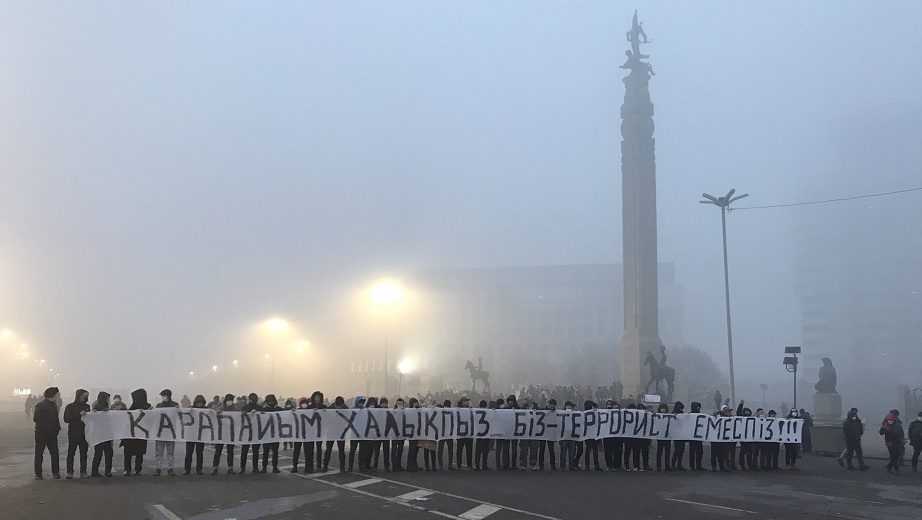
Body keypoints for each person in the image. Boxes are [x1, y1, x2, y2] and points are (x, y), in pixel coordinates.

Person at [121, 389, 151, 476]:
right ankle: (127, 469)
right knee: (128, 452)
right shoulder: (133, 407)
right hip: (131, 434)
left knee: (139, 452)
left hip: (140, 433)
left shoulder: (148, 407)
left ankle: (138, 469)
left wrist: (147, 412)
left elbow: (151, 419)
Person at [33, 387, 62, 480]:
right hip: (42, 433)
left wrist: (57, 428)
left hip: (52, 433)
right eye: (57, 394)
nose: (58, 396)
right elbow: (36, 419)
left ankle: (55, 472)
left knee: (54, 453)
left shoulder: (54, 405)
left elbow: (56, 419)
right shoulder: (41, 405)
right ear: (53, 395)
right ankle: (39, 474)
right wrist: (49, 427)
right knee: (40, 453)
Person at [63, 388, 91, 479]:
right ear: (79, 396)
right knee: (71, 452)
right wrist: (79, 415)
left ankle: (83, 471)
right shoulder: (70, 406)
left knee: (84, 453)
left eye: (87, 396)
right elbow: (66, 419)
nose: (86, 398)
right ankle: (70, 472)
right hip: (73, 432)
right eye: (84, 396)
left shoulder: (87, 406)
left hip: (84, 433)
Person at [154, 389, 180, 476]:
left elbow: (179, 416)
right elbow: (154, 416)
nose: (162, 397)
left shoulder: (175, 406)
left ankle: (170, 468)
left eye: (163, 395)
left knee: (170, 452)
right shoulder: (159, 406)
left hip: (170, 432)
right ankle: (158, 468)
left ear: (168, 396)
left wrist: (178, 410)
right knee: (159, 452)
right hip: (160, 432)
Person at [90, 391, 114, 477]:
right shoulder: (97, 407)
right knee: (100, 453)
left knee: (106, 453)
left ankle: (104, 471)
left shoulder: (105, 407)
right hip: (100, 433)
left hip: (105, 433)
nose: (108, 400)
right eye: (107, 398)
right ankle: (98, 471)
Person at [211, 394, 237, 475]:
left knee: (230, 451)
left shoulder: (235, 410)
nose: (229, 402)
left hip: (231, 433)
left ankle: (230, 467)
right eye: (228, 400)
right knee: (218, 451)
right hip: (221, 433)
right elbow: (212, 415)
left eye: (231, 400)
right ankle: (215, 467)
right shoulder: (220, 408)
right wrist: (217, 412)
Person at [183, 395, 208, 475]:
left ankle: (199, 469)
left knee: (199, 453)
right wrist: (188, 411)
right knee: (189, 452)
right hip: (191, 434)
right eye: (198, 403)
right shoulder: (191, 409)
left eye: (201, 403)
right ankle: (187, 469)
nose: (199, 404)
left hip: (201, 434)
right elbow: (184, 417)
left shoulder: (206, 410)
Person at [323, 396, 348, 472]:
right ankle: (325, 465)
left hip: (341, 431)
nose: (339, 407)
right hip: (331, 431)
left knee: (341, 450)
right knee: (328, 449)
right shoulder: (330, 409)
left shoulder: (345, 408)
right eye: (338, 406)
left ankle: (342, 466)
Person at [239, 393, 263, 474]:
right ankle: (243, 467)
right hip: (247, 431)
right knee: (245, 451)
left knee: (255, 451)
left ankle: (254, 467)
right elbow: (241, 416)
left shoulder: (259, 407)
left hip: (255, 431)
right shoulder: (245, 407)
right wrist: (247, 412)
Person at [260, 394, 282, 473]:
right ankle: (265, 467)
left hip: (274, 433)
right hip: (267, 433)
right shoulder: (263, 410)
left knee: (274, 452)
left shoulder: (278, 409)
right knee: (267, 451)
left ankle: (273, 467)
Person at [291, 397, 313, 473]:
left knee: (308, 452)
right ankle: (294, 466)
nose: (304, 404)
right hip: (298, 434)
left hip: (307, 434)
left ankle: (308, 467)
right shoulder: (297, 411)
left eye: (305, 403)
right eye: (303, 403)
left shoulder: (310, 411)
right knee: (296, 451)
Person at [880, 409, 904, 474]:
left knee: (896, 456)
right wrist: (883, 429)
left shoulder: (897, 425)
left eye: (891, 420)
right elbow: (881, 433)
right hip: (890, 443)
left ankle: (889, 466)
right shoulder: (886, 426)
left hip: (897, 442)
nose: (890, 421)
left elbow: (901, 433)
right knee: (893, 456)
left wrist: (902, 439)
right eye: (889, 420)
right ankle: (896, 469)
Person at [538, 399, 558, 471]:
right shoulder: (543, 410)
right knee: (542, 450)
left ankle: (553, 465)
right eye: (550, 404)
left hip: (550, 433)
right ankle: (541, 465)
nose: (550, 406)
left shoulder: (556, 412)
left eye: (552, 404)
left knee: (551, 450)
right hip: (543, 433)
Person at [559, 401, 578, 471]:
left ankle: (571, 466)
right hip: (563, 436)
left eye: (570, 406)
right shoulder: (561, 414)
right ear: (565, 406)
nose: (569, 407)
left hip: (572, 436)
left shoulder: (575, 414)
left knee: (572, 453)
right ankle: (562, 466)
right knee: (563, 452)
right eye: (568, 405)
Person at [437, 399, 455, 470]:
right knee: (450, 450)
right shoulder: (452, 411)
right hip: (449, 432)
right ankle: (450, 465)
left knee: (440, 450)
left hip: (442, 433)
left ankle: (440, 465)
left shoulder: (440, 411)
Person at [688, 401, 705, 471]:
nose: (698, 408)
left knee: (700, 452)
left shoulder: (700, 415)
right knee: (692, 452)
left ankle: (699, 465)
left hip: (698, 436)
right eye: (697, 407)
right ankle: (692, 466)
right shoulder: (689, 415)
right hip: (692, 437)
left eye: (699, 407)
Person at [655, 402, 672, 471]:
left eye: (664, 408)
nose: (663, 410)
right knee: (659, 452)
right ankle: (658, 466)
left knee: (667, 452)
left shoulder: (669, 416)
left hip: (667, 437)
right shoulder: (657, 416)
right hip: (660, 437)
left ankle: (667, 466)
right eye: (662, 408)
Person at [474, 399, 490, 471]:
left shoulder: (476, 412)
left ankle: (477, 465)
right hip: (486, 433)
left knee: (478, 451)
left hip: (480, 434)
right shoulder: (488, 413)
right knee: (485, 451)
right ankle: (484, 465)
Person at [391, 398, 406, 472]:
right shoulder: (393, 411)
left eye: (401, 404)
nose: (400, 405)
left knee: (400, 450)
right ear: (396, 404)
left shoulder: (405, 411)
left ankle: (398, 465)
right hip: (394, 434)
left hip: (402, 434)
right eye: (398, 404)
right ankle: (394, 467)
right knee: (394, 451)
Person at [670, 401, 687, 470]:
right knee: (678, 450)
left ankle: (676, 464)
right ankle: (676, 464)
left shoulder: (679, 414)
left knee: (680, 450)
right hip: (678, 435)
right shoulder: (675, 414)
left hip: (680, 434)